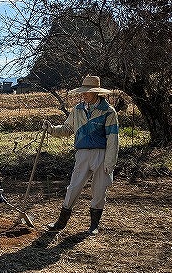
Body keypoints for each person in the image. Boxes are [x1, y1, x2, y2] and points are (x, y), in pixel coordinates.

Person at [43, 75, 119, 235]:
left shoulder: (108, 111)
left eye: (87, 91)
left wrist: (110, 162)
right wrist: (52, 129)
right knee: (73, 187)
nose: (83, 94)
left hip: (101, 154)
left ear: (96, 92)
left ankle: (94, 226)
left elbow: (113, 139)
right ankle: (60, 223)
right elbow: (67, 129)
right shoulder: (77, 110)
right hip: (82, 153)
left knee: (99, 190)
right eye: (83, 91)